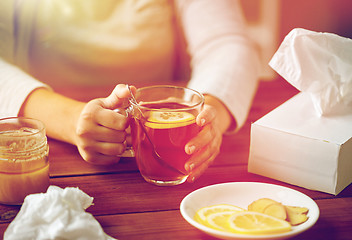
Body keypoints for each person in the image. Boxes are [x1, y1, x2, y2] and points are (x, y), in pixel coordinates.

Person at [0, 0, 260, 182]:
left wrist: (211, 113)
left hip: (166, 150)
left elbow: (228, 44)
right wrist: (73, 120)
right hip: (47, 149)